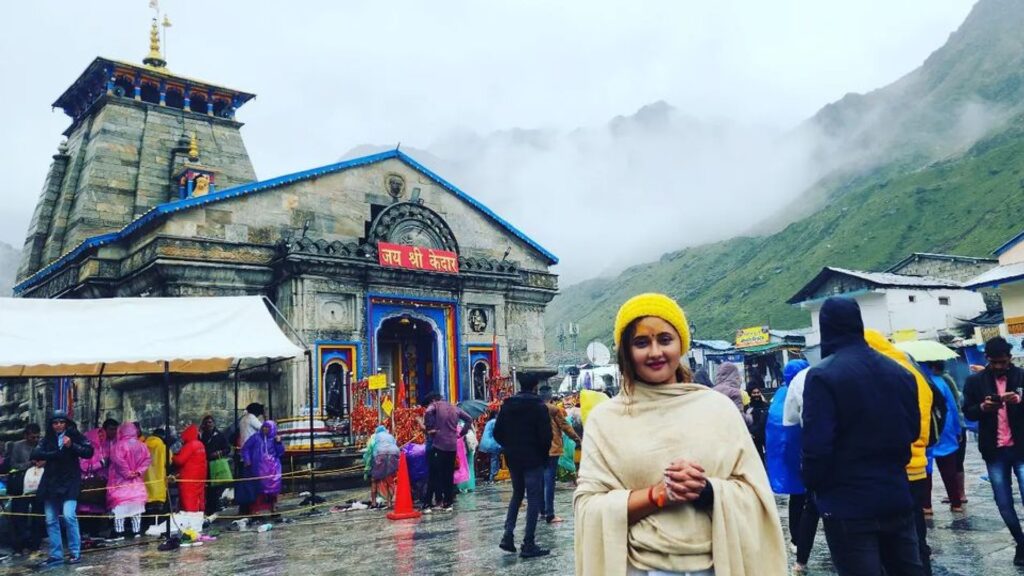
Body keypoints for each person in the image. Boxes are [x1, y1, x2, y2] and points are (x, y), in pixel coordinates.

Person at [574, 293, 786, 576]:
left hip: (718, 566)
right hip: (638, 568)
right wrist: (658, 495)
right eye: (641, 343)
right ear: (626, 351)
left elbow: (755, 494)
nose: (655, 352)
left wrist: (707, 491)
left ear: (681, 344)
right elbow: (588, 507)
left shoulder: (718, 409)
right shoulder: (606, 420)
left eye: (665, 340)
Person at [802, 297, 923, 576]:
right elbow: (913, 431)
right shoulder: (900, 372)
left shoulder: (822, 375)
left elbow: (817, 447)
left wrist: (816, 487)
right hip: (895, 493)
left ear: (826, 328)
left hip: (847, 502)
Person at [864, 330, 935, 576]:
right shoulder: (912, 370)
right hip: (918, 463)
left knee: (900, 539)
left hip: (897, 466)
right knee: (917, 533)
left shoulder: (885, 374)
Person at [964, 336, 1024, 565]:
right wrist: (982, 407)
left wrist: (1019, 400)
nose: (999, 366)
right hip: (994, 451)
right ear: (987, 359)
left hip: (1021, 448)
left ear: (1010, 358)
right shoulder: (975, 381)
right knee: (1003, 502)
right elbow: (968, 411)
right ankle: (1021, 542)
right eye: (994, 362)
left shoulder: (1021, 376)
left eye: (1003, 362)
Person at [494, 373, 553, 559]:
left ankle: (507, 535)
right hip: (533, 458)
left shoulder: (507, 405)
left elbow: (497, 433)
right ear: (535, 387)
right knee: (533, 498)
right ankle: (528, 542)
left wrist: (510, 446)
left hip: (513, 457)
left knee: (517, 494)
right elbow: (546, 436)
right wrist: (543, 455)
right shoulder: (539, 407)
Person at [31, 410, 94, 569]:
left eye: (61, 422)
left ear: (66, 423)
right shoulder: (47, 438)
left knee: (69, 515)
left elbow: (88, 451)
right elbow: (35, 453)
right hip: (51, 482)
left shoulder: (74, 435)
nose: (58, 425)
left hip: (70, 481)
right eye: (55, 423)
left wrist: (72, 446)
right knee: (51, 519)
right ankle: (56, 554)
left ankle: (75, 552)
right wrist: (55, 453)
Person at [765, 359, 812, 572]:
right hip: (807, 455)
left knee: (797, 498)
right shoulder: (805, 389)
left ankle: (796, 540)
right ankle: (801, 545)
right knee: (812, 502)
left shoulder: (779, 395)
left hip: (789, 457)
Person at [422, 393, 473, 512]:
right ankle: (448, 503)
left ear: (433, 400)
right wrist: (462, 433)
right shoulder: (455, 408)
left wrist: (430, 428)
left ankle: (427, 504)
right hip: (452, 446)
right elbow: (469, 419)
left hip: (439, 445)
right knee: (448, 475)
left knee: (434, 475)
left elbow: (428, 411)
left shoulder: (435, 405)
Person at [928, 361, 968, 509]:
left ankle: (926, 506)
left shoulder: (914, 378)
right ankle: (956, 502)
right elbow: (953, 405)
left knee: (925, 469)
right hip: (945, 429)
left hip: (925, 430)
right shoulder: (941, 381)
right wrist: (957, 429)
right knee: (949, 467)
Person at [540, 385, 581, 524]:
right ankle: (550, 514)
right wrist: (577, 439)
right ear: (550, 396)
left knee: (540, 480)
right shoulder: (553, 409)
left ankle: (542, 510)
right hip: (552, 448)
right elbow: (565, 426)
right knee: (549, 481)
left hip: (537, 450)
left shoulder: (533, 409)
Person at [5, 423, 45, 556]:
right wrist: (30, 464)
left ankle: (35, 544)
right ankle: (19, 545)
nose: (35, 440)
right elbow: (13, 465)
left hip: (38, 485)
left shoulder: (42, 445)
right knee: (19, 516)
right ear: (26, 436)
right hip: (21, 486)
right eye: (33, 437)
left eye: (37, 437)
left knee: (38, 516)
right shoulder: (17, 446)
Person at [106, 422, 151, 539]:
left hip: (120, 483)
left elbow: (118, 461)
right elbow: (147, 460)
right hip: (137, 484)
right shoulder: (142, 446)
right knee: (136, 510)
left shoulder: (118, 446)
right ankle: (136, 531)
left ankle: (119, 532)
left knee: (119, 510)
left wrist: (127, 473)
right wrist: (138, 472)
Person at [239, 420, 285, 515]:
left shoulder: (274, 439)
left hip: (273, 468)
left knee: (273, 489)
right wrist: (247, 460)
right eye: (264, 426)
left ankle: (272, 506)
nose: (265, 429)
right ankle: (257, 509)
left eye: (267, 427)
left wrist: (279, 443)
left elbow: (280, 453)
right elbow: (245, 448)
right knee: (258, 489)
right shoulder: (256, 437)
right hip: (258, 468)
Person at [200, 415, 232, 515]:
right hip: (205, 464)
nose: (208, 424)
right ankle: (209, 508)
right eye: (206, 423)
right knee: (208, 488)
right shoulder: (202, 436)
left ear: (214, 423)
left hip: (216, 464)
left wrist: (219, 453)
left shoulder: (220, 435)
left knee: (216, 487)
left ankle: (215, 508)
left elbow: (227, 449)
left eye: (210, 422)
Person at [171, 424, 207, 514]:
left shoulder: (190, 445)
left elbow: (179, 461)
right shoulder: (200, 444)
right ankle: (199, 515)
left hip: (189, 477)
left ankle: (191, 518)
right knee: (199, 497)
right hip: (199, 477)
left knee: (189, 499)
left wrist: (172, 456)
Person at [364, 424, 400, 508]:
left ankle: (374, 502)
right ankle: (389, 502)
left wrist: (367, 467)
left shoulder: (374, 436)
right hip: (394, 453)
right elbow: (394, 445)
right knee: (389, 478)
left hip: (380, 454)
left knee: (374, 480)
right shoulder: (390, 436)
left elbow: (369, 451)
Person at [141, 427, 167, 531]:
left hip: (145, 483)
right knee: (158, 511)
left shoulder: (143, 445)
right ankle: (155, 528)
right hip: (159, 483)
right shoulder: (163, 447)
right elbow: (169, 461)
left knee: (146, 510)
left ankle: (145, 528)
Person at [746, 381, 770, 465]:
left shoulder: (766, 406)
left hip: (766, 435)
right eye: (754, 393)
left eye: (758, 392)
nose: (756, 395)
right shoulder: (748, 408)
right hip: (754, 437)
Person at [478, 410, 503, 482]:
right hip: (491, 444)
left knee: (491, 459)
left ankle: (491, 475)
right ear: (496, 415)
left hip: (485, 444)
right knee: (494, 459)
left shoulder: (489, 422)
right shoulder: (494, 422)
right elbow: (498, 432)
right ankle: (493, 476)